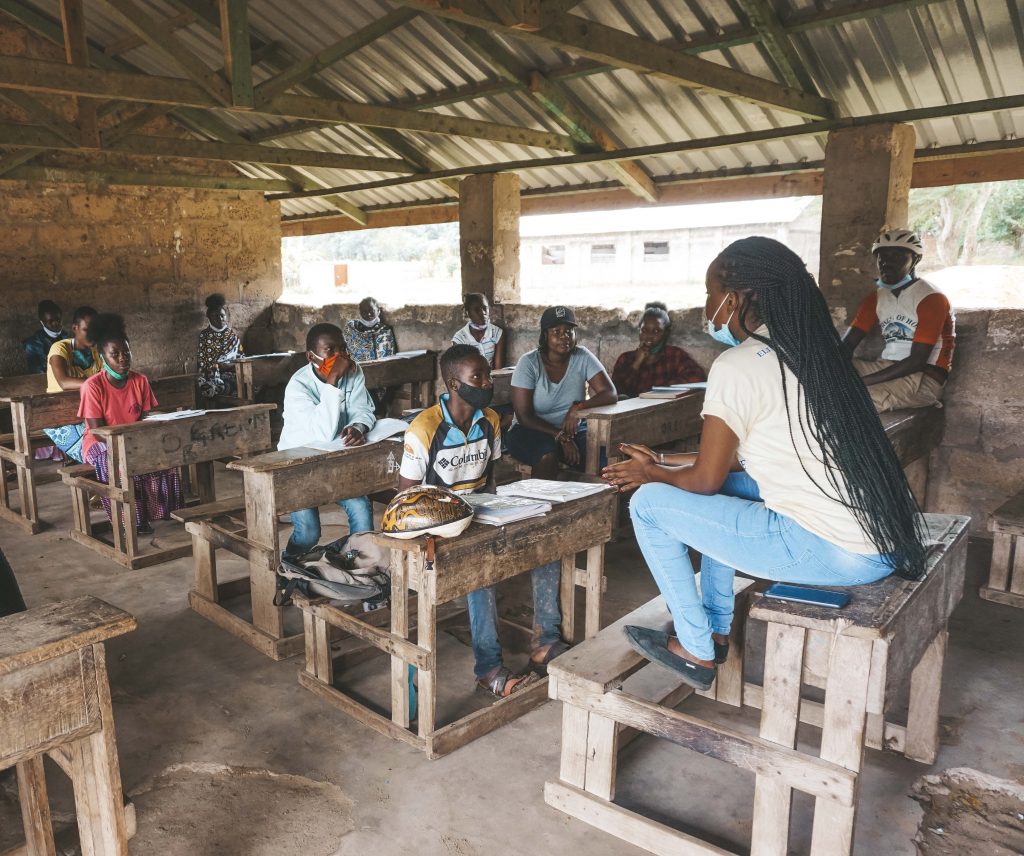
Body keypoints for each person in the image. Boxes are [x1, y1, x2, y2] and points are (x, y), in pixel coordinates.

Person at [602, 237, 926, 692]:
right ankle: (713, 626)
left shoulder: (737, 365)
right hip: (877, 537)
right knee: (720, 491)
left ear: (733, 299)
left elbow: (705, 477)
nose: (707, 308)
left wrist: (651, 474)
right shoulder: (811, 352)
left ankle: (695, 650)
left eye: (710, 296)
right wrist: (659, 457)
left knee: (650, 505)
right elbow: (733, 461)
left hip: (838, 551)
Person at [399, 344, 567, 697]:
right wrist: (450, 523)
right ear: (453, 384)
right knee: (482, 573)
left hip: (481, 512)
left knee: (548, 542)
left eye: (488, 375)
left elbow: (489, 478)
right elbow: (407, 500)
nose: (488, 382)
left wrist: (500, 511)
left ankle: (545, 643)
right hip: (439, 525)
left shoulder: (489, 420)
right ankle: (489, 668)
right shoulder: (424, 428)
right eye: (478, 377)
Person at [78, 313, 184, 536]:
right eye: (114, 354)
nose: (122, 358)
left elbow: (145, 418)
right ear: (103, 358)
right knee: (116, 462)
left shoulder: (140, 380)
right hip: (100, 443)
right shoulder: (92, 386)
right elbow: (97, 432)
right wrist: (127, 445)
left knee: (168, 456)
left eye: (126, 352)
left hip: (134, 438)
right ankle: (129, 520)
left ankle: (157, 511)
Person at [279, 323, 376, 558]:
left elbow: (364, 409)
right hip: (298, 464)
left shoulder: (353, 372)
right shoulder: (298, 385)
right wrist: (332, 378)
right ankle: (290, 566)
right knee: (308, 533)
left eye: (342, 348)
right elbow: (322, 432)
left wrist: (358, 426)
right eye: (329, 350)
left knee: (361, 511)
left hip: (335, 460)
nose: (338, 356)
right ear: (311, 356)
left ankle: (359, 570)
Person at [843, 229, 955, 413]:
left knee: (854, 400)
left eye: (897, 256)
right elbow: (846, 346)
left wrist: (859, 383)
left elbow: (917, 361)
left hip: (924, 378)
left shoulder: (930, 298)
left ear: (915, 260)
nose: (887, 263)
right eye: (882, 257)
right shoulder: (877, 298)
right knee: (821, 374)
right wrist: (827, 368)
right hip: (888, 368)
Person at [506, 306, 616, 479]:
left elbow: (609, 393)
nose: (564, 336)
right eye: (556, 331)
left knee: (605, 463)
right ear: (545, 335)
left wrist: (577, 408)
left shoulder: (582, 356)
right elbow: (524, 416)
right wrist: (560, 436)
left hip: (572, 432)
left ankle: (592, 503)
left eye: (569, 331)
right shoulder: (529, 363)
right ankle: (541, 504)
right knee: (547, 457)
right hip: (528, 430)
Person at [611, 302, 706, 397]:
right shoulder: (626, 359)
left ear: (666, 333)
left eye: (656, 331)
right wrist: (636, 363)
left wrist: (657, 389)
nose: (649, 336)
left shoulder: (674, 356)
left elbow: (697, 378)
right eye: (644, 330)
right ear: (639, 331)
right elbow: (616, 390)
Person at [43, 305, 100, 462]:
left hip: (87, 413)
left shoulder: (96, 352)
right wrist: (98, 383)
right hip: (59, 418)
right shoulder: (60, 348)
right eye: (88, 330)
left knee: (118, 441)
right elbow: (64, 382)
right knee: (99, 452)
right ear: (75, 328)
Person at [343, 297, 399, 415]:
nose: (368, 314)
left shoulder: (385, 331)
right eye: (364, 311)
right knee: (362, 382)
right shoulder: (351, 330)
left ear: (378, 311)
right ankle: (374, 413)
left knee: (386, 381)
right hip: (357, 373)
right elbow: (347, 351)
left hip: (380, 374)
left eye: (372, 310)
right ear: (359, 312)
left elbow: (388, 355)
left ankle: (378, 412)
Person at [197, 293, 243, 399]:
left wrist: (232, 365)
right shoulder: (205, 335)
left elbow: (241, 356)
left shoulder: (232, 335)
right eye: (215, 316)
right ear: (209, 318)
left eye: (222, 315)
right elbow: (205, 362)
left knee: (253, 383)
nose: (220, 318)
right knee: (214, 387)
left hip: (234, 370)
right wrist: (219, 366)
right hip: (213, 374)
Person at [451, 292, 506, 369]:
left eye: (485, 308)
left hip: (492, 378)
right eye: (477, 310)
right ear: (468, 313)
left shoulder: (497, 333)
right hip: (469, 379)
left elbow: (498, 369)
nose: (483, 313)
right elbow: (460, 370)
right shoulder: (460, 338)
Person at [22, 299, 67, 374]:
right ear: (42, 322)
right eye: (50, 321)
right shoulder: (32, 344)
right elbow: (36, 372)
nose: (55, 323)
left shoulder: (66, 336)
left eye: (58, 319)